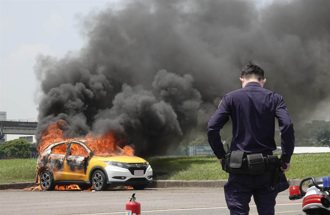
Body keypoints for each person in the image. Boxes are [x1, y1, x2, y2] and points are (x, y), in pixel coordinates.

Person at [207, 62, 295, 215]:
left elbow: (212, 128)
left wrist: (220, 155)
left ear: (242, 79)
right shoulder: (275, 98)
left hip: (239, 167)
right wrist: (286, 158)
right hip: (267, 168)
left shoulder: (230, 98)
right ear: (263, 81)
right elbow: (287, 126)